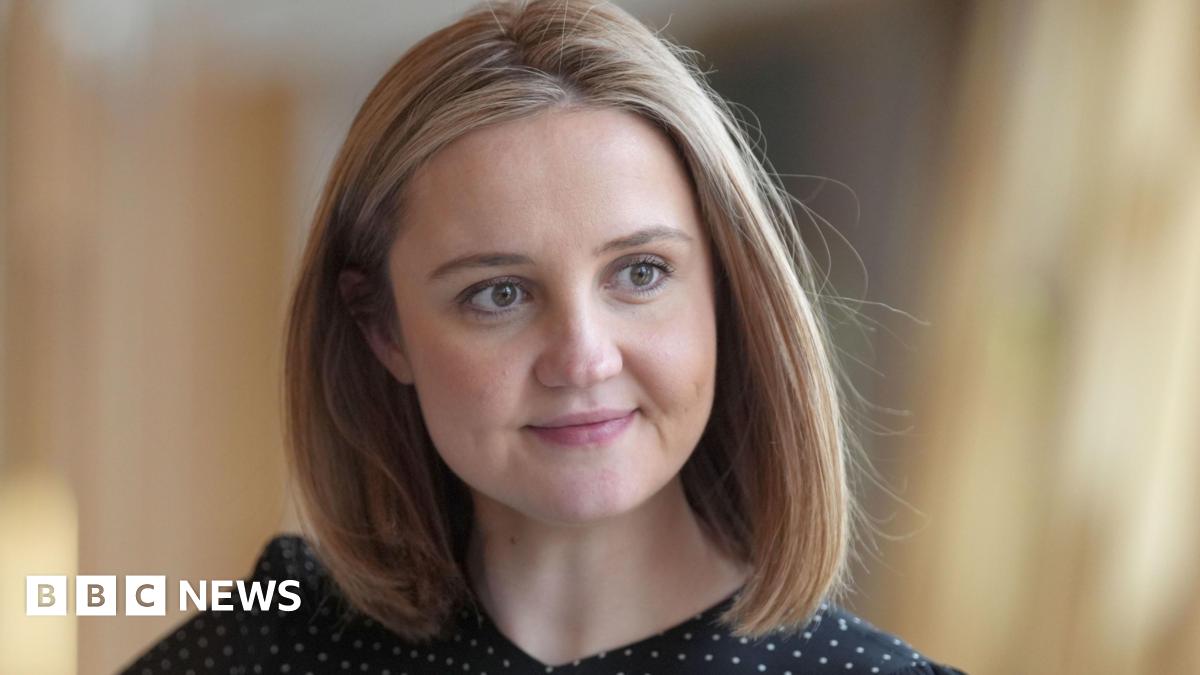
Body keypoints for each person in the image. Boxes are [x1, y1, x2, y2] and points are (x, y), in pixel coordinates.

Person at [121, 1, 966, 673]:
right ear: (382, 329)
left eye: (639, 273)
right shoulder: (266, 649)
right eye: (498, 293)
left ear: (725, 292)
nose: (584, 358)